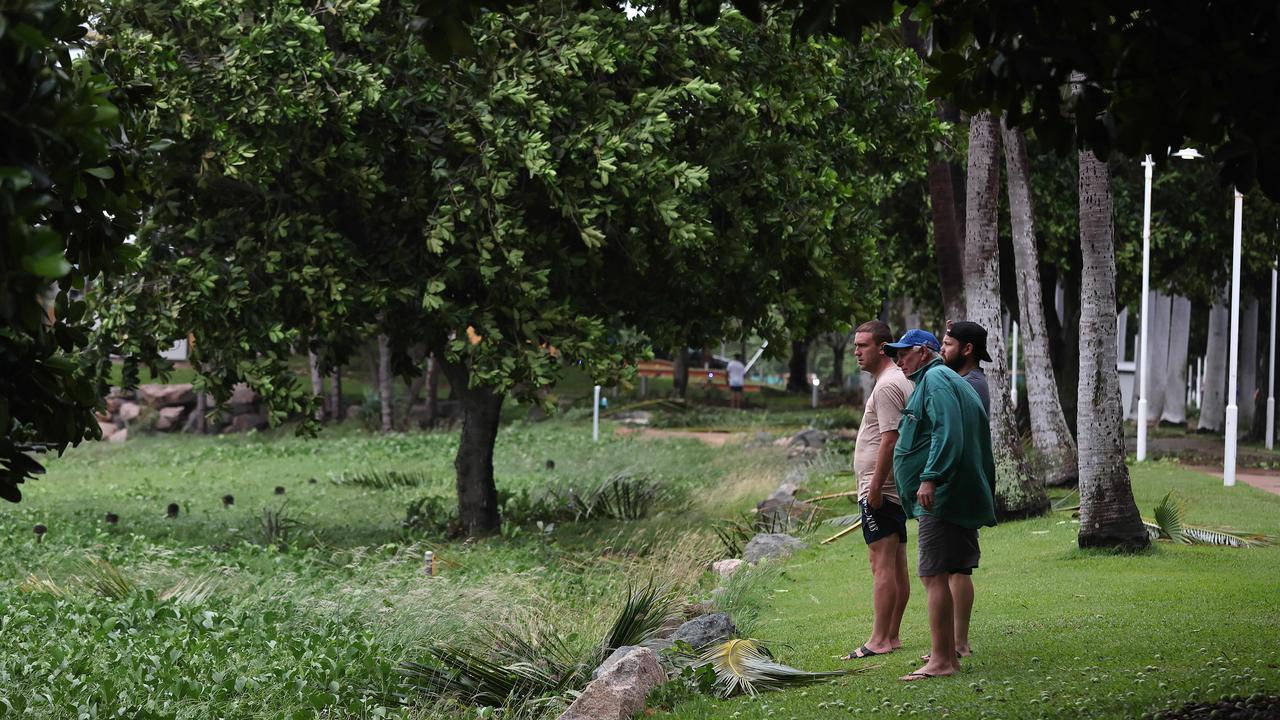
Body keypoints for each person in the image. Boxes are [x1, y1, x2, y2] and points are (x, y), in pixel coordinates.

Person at [885, 329, 996, 682]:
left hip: (943, 497)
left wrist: (930, 476)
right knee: (947, 571)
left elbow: (947, 432)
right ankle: (948, 653)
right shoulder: (940, 378)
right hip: (953, 493)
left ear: (922, 351)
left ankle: (942, 660)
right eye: (894, 355)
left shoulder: (935, 379)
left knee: (932, 575)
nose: (897, 360)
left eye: (902, 353)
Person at [841, 321, 914, 660]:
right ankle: (893, 635)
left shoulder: (886, 386)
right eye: (856, 345)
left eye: (863, 345)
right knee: (896, 562)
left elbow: (890, 438)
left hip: (881, 489)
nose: (857, 352)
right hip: (891, 488)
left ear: (882, 348)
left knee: (881, 563)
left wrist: (873, 487)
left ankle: (879, 640)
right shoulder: (897, 379)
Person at [936, 320, 993, 659]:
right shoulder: (962, 380)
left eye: (948, 344)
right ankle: (950, 643)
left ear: (967, 349)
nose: (942, 349)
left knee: (958, 566)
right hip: (956, 485)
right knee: (949, 566)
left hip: (961, 485)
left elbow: (954, 435)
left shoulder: (971, 385)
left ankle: (959, 644)